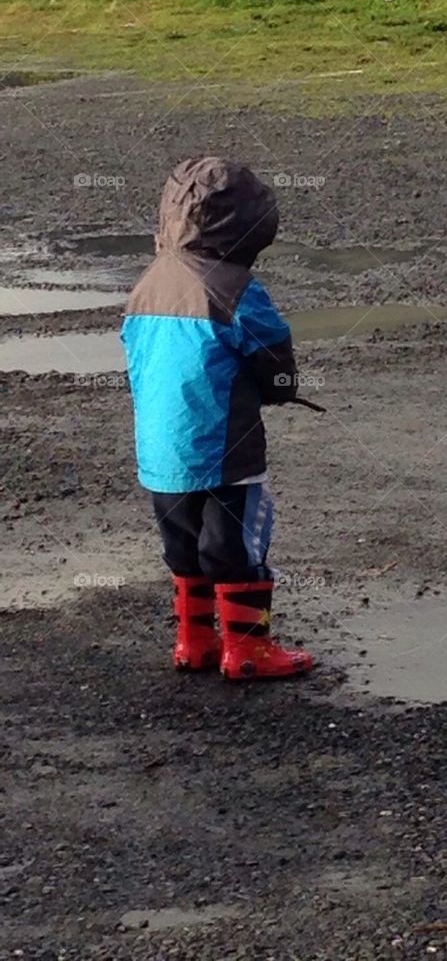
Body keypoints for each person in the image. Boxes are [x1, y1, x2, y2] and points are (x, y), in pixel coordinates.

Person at [120, 156, 313, 680]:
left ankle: (194, 641)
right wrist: (279, 389)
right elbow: (272, 351)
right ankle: (248, 649)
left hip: (160, 448)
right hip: (224, 446)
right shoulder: (234, 287)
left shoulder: (147, 282)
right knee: (234, 546)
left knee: (182, 544)